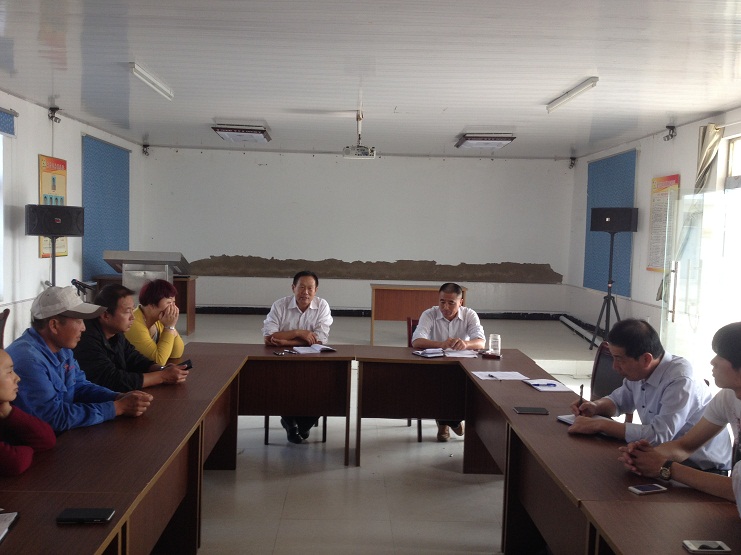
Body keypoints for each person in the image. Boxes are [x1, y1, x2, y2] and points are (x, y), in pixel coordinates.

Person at [569, 318, 730, 472]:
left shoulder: (680, 379)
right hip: (663, 456)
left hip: (701, 468)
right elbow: (618, 401)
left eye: (619, 359)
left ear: (646, 359)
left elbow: (659, 435)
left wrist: (600, 425)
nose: (614, 366)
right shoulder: (640, 372)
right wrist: (595, 406)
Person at [619, 322, 741, 514]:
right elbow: (684, 446)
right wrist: (645, 456)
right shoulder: (727, 397)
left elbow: (735, 490)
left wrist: (666, 467)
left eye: (721, 356)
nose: (713, 362)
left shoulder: (682, 376)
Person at [6, 286, 153, 432]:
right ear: (54, 325)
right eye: (78, 321)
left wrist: (116, 397)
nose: (84, 328)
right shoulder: (28, 360)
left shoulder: (62, 349)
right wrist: (116, 408)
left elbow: (80, 386)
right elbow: (53, 417)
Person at [74, 284, 189, 391]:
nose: (132, 317)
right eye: (127, 312)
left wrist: (161, 369)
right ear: (105, 315)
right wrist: (162, 376)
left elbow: (134, 359)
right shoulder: (86, 339)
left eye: (133, 310)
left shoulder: (116, 333)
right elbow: (112, 379)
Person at [262, 271, 333, 443]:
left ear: (316, 290)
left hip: (313, 361)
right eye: (301, 287)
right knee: (280, 384)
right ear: (293, 288)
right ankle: (290, 422)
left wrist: (286, 341)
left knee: (324, 386)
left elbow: (319, 339)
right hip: (283, 360)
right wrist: (299, 333)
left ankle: (300, 424)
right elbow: (269, 337)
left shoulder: (322, 306)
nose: (305, 292)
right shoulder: (280, 305)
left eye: (310, 288)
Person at [411, 282, 485, 441]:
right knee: (439, 384)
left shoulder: (469, 315)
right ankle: (451, 422)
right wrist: (441, 344)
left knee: (464, 386)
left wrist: (466, 344)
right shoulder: (429, 314)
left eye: (451, 303)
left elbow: (481, 342)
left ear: (460, 302)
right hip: (435, 365)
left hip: (462, 365)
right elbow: (416, 341)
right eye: (442, 301)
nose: (445, 307)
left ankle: (445, 422)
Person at [0, 348, 56, 476]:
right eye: (9, 372)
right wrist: (29, 449)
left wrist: (8, 412)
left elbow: (47, 440)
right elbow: (15, 462)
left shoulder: (3, 408)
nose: (17, 378)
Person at [125, 279, 185, 366]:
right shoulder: (134, 323)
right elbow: (158, 361)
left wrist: (171, 327)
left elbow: (176, 354)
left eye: (174, 303)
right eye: (169, 303)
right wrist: (169, 328)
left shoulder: (160, 320)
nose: (173, 308)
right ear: (151, 305)